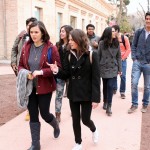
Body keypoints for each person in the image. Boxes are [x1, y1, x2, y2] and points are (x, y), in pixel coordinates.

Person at [48, 29, 100, 150]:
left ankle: (94, 129)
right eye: (69, 39)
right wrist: (56, 70)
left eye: (72, 39)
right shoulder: (69, 54)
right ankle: (78, 142)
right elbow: (66, 74)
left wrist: (96, 98)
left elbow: (96, 79)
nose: (69, 42)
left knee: (85, 119)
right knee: (75, 119)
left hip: (87, 93)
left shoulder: (92, 54)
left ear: (79, 40)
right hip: (73, 92)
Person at [18, 21, 61, 150]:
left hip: (45, 87)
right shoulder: (26, 46)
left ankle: (55, 125)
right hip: (30, 87)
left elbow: (57, 67)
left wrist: (42, 71)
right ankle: (35, 144)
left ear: (43, 32)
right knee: (33, 113)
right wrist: (26, 73)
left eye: (36, 32)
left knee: (44, 113)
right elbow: (20, 65)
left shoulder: (51, 48)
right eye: (31, 32)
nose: (33, 35)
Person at [11, 17, 37, 121]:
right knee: (23, 86)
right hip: (21, 68)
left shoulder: (36, 37)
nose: (30, 27)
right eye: (28, 25)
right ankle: (28, 108)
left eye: (32, 25)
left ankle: (30, 110)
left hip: (31, 68)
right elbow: (14, 49)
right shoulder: (21, 36)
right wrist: (13, 62)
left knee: (31, 87)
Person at [128, 12, 150, 114]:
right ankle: (134, 104)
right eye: (147, 18)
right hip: (137, 62)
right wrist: (134, 58)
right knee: (134, 83)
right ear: (145, 19)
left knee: (147, 86)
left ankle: (145, 104)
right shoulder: (139, 32)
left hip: (148, 64)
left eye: (149, 19)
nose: (148, 21)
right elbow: (133, 45)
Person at [98, 26, 122, 116]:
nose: (114, 32)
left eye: (115, 31)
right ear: (108, 33)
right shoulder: (101, 43)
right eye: (112, 31)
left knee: (110, 86)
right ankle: (105, 101)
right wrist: (98, 68)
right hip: (104, 67)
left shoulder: (117, 43)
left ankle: (109, 106)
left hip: (113, 68)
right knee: (105, 86)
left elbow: (119, 56)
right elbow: (98, 56)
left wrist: (120, 69)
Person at [55, 25, 73, 122]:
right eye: (60, 31)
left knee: (71, 95)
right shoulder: (57, 45)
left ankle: (73, 111)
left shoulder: (72, 45)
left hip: (70, 74)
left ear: (68, 33)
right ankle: (58, 114)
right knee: (58, 95)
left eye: (63, 31)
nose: (61, 33)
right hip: (60, 74)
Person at [112, 25, 131, 99]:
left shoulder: (124, 38)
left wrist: (123, 58)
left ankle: (122, 91)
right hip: (114, 60)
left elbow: (128, 49)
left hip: (122, 60)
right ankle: (114, 88)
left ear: (117, 31)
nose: (112, 32)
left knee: (122, 76)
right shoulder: (113, 38)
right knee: (114, 75)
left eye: (113, 31)